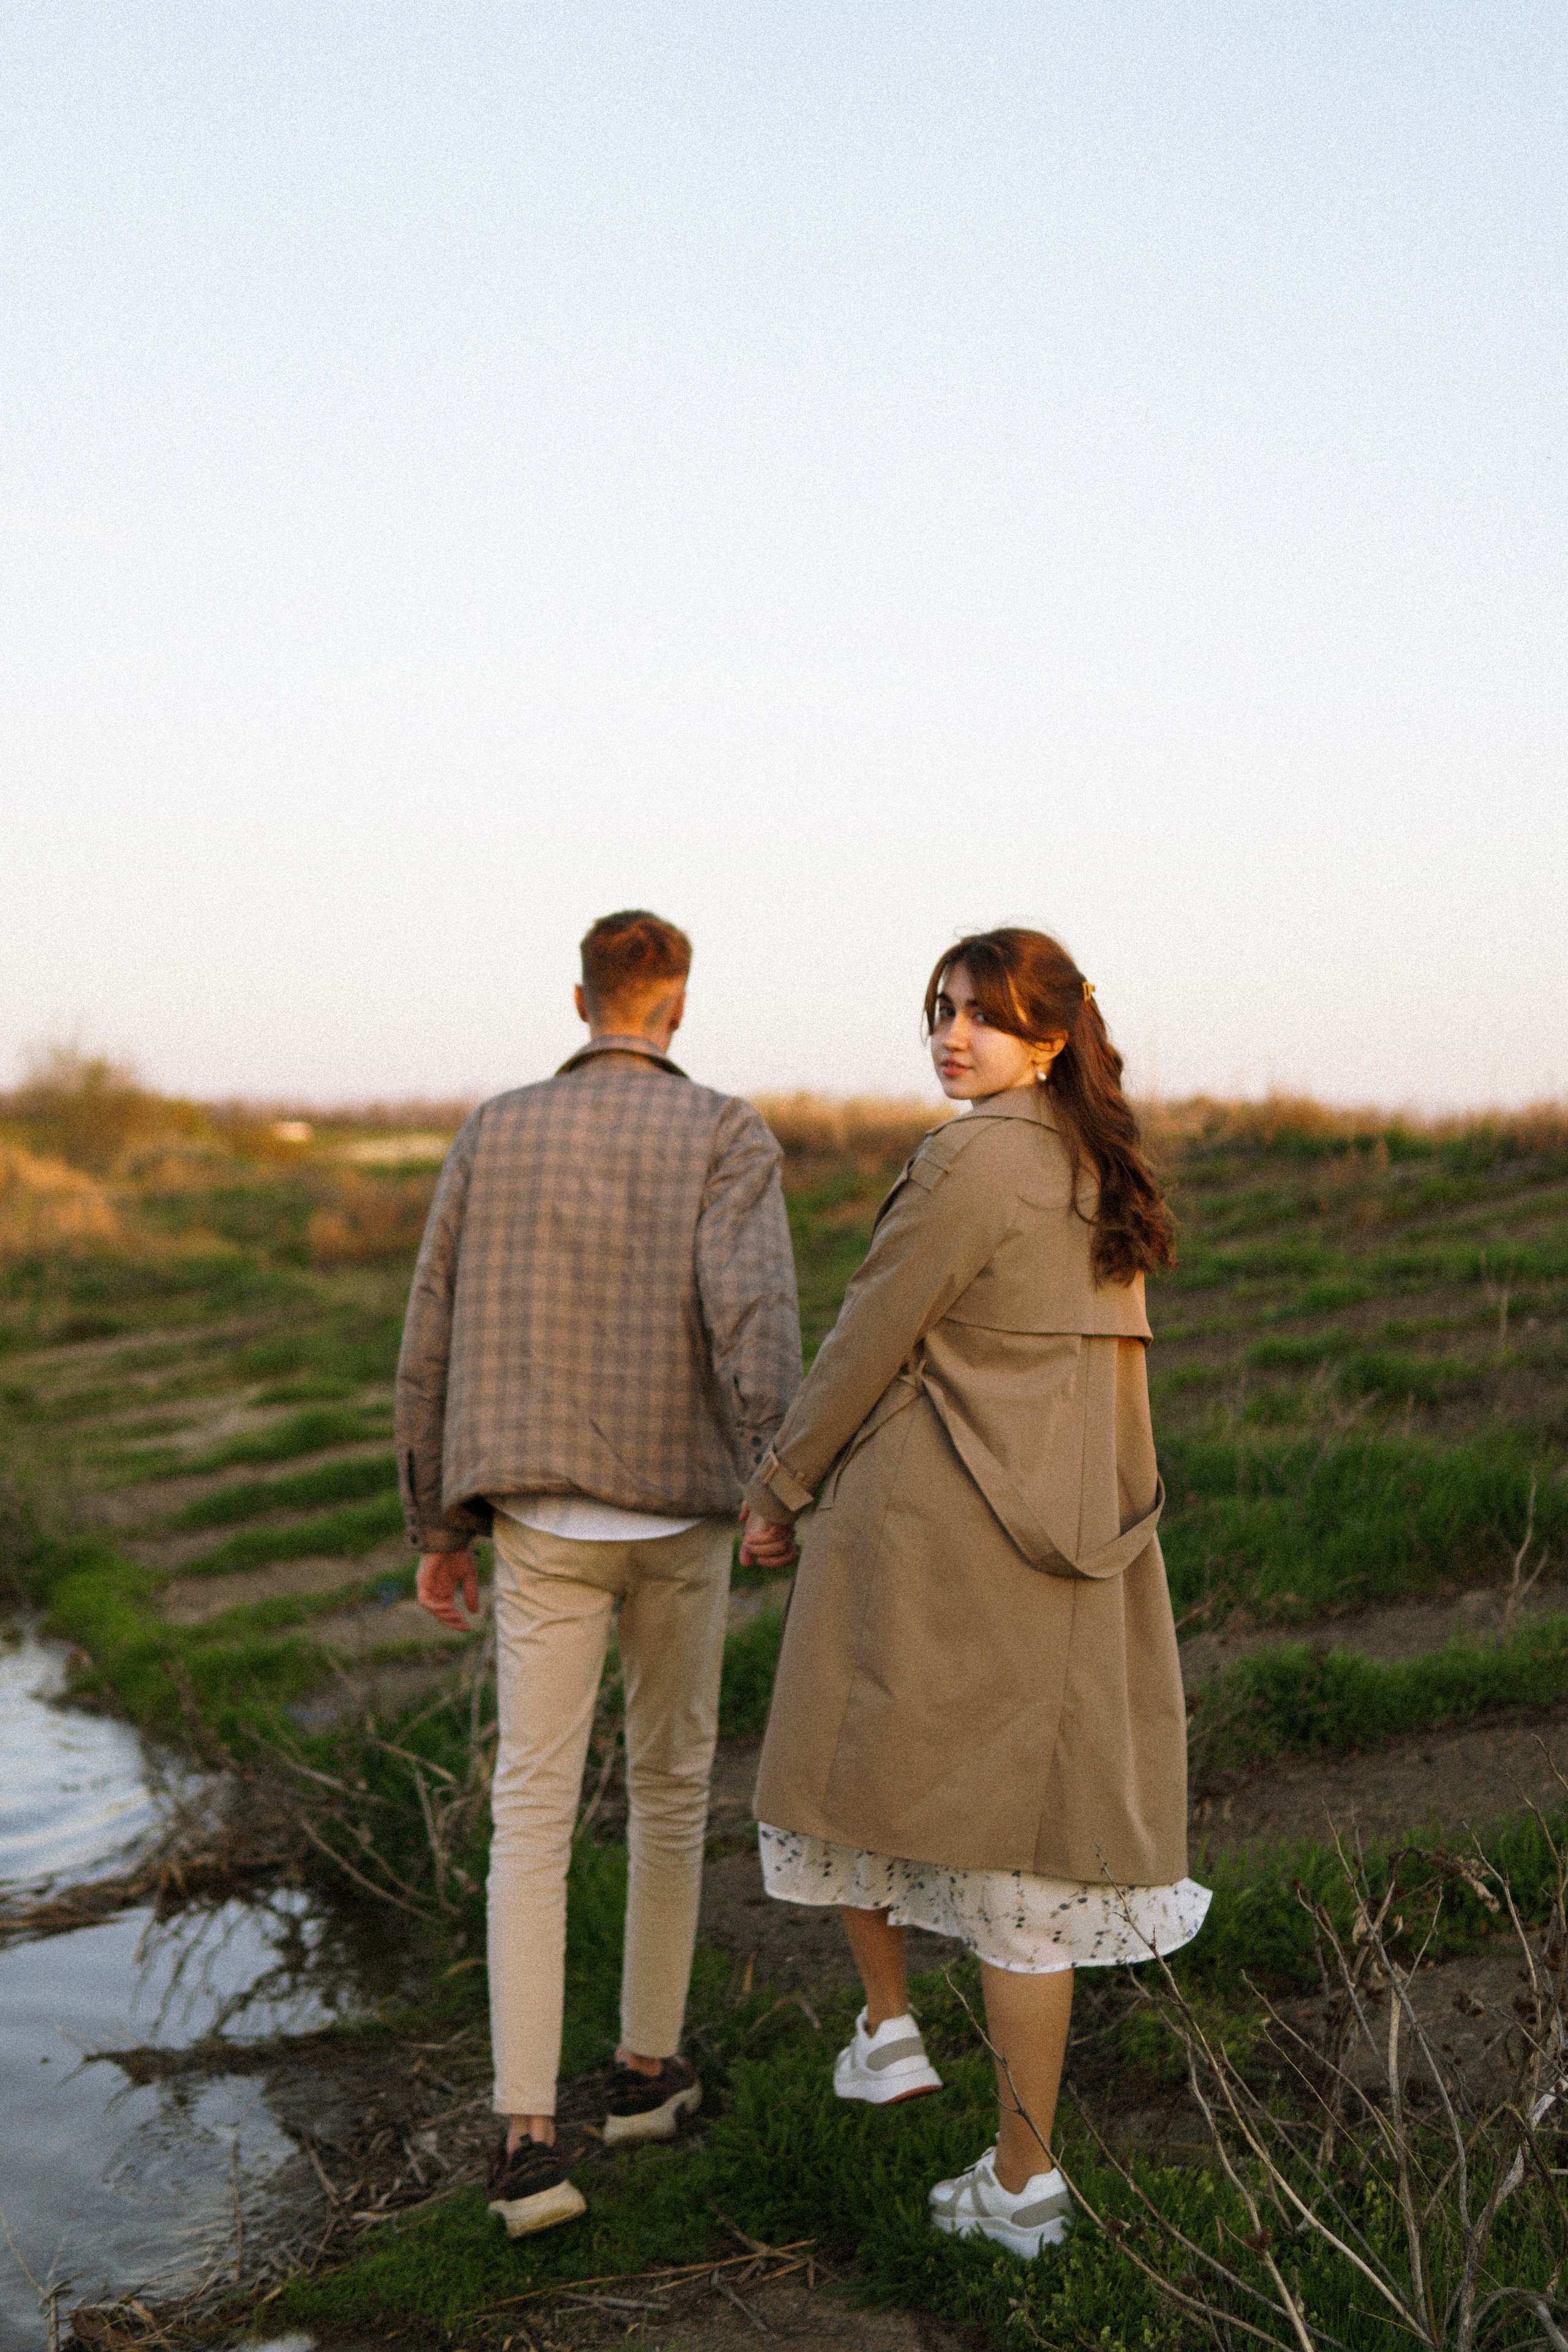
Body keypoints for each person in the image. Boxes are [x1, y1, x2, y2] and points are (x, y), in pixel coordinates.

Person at [739, 926, 1207, 2259]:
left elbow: (864, 1336)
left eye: (983, 1017)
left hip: (929, 1537)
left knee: (836, 1760)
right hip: (1073, 1550)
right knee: (1026, 1870)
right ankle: (1021, 2180)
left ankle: (888, 2031)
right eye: (939, 1010)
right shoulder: (1097, 1165)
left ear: (1048, 1038)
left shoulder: (968, 1157)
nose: (951, 1035)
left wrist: (775, 1488)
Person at [398, 909, 801, 2239]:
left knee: (532, 1808)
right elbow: (753, 1315)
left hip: (536, 1518)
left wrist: (434, 1522)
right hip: (679, 1518)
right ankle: (641, 2075)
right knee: (672, 1792)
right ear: (674, 1006)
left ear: (581, 1000)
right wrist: (776, 1481)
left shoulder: (491, 1129)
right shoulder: (724, 1131)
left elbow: (432, 1326)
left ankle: (524, 2141)